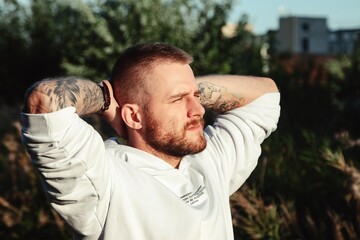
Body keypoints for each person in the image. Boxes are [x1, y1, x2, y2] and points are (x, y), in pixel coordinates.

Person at [21, 43, 280, 239]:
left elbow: (266, 93)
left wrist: (184, 87)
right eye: (178, 100)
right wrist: (106, 99)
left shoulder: (209, 160)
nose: (199, 110)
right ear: (133, 115)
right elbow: (43, 101)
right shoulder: (104, 181)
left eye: (197, 96)